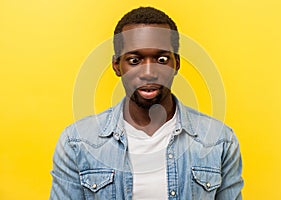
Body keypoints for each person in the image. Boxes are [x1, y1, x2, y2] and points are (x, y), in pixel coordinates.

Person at [50, 7, 243, 200]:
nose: (148, 72)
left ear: (176, 63)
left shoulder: (220, 141)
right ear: (117, 65)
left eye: (161, 59)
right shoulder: (77, 142)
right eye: (134, 60)